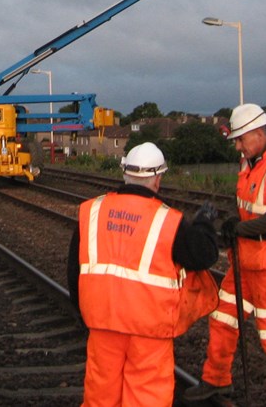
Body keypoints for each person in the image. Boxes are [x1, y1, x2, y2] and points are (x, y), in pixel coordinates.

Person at [68, 142, 220, 407]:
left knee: (100, 397)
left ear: (124, 173)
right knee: (146, 397)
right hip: (149, 330)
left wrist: (84, 315)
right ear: (157, 179)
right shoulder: (168, 221)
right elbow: (203, 255)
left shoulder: (92, 211)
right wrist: (205, 222)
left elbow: (74, 270)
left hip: (103, 323)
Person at [185, 104, 266, 406]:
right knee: (223, 318)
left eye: (240, 139)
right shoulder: (250, 161)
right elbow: (247, 208)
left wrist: (240, 229)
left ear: (257, 132)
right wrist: (231, 224)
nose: (237, 146)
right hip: (246, 260)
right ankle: (216, 378)